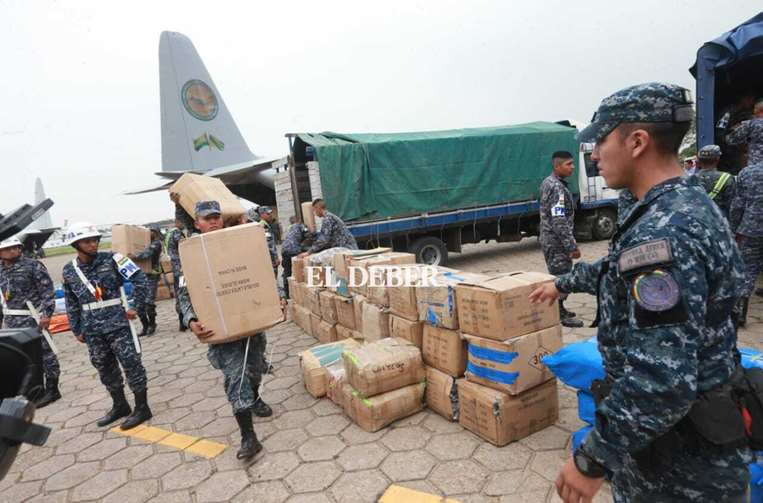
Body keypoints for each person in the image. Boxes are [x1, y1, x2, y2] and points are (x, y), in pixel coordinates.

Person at [530, 83, 750, 502]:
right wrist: (561, 284)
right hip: (686, 442)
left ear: (636, 142)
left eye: (599, 141)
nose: (593, 155)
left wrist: (592, 460)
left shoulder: (666, 232)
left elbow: (662, 377)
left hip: (678, 462)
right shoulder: (682, 206)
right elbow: (617, 270)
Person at [177, 201, 285, 460]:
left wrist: (278, 297)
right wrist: (191, 320)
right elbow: (184, 293)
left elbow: (265, 273)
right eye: (207, 218)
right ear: (197, 223)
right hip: (222, 330)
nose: (213, 221)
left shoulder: (241, 242)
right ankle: (248, 437)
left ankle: (256, 397)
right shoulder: (191, 253)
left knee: (256, 367)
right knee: (236, 379)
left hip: (251, 320)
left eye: (216, 217)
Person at [62, 222, 153, 429]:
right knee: (104, 367)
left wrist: (137, 307)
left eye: (95, 240)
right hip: (92, 329)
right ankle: (120, 405)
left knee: (131, 364)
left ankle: (142, 407)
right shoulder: (69, 270)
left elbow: (140, 279)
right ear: (76, 244)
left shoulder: (114, 258)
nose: (93, 244)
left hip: (118, 324)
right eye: (87, 241)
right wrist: (76, 328)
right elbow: (71, 300)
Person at [0, 237, 61, 408]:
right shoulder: (0, 270)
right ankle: (34, 389)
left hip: (33, 318)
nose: (13, 251)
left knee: (45, 353)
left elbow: (47, 291)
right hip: (12, 321)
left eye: (16, 247)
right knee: (22, 357)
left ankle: (52, 388)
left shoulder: (32, 265)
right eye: (8, 248)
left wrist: (47, 314)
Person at [539, 151, 584, 328]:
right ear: (557, 166)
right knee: (562, 276)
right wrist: (571, 246)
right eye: (569, 164)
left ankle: (560, 308)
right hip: (557, 242)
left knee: (557, 275)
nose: (572, 167)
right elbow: (559, 220)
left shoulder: (548, 182)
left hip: (550, 239)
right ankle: (558, 313)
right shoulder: (557, 187)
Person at [729, 157, 763, 327]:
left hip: (752, 228)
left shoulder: (748, 172)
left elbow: (738, 204)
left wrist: (734, 229)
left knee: (748, 269)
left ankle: (741, 312)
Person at [129, 226, 163, 336]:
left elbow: (147, 254)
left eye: (152, 231)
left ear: (156, 233)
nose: (150, 233)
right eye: (149, 231)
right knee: (139, 304)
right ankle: (145, 326)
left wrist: (134, 256)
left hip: (152, 275)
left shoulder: (156, 243)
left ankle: (152, 324)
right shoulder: (144, 242)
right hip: (140, 276)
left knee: (149, 302)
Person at [694, 144, 736, 221]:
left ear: (699, 160)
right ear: (718, 159)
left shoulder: (690, 179)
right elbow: (732, 207)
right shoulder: (726, 178)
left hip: (698, 223)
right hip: (719, 223)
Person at [726, 98, 763, 168]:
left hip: (755, 167)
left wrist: (734, 129)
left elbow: (730, 139)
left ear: (757, 111)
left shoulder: (750, 124)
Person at [280, 219, 311, 299]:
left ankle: (288, 295)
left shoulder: (291, 227)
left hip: (284, 249)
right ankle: (297, 294)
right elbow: (308, 236)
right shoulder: (302, 226)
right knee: (297, 271)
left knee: (287, 272)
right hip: (293, 249)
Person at [165, 219, 187, 331]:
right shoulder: (177, 232)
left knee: (179, 293)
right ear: (178, 222)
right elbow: (185, 246)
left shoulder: (169, 233)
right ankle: (185, 320)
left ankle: (182, 321)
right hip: (182, 269)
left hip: (175, 269)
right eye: (182, 222)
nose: (183, 225)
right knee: (185, 293)